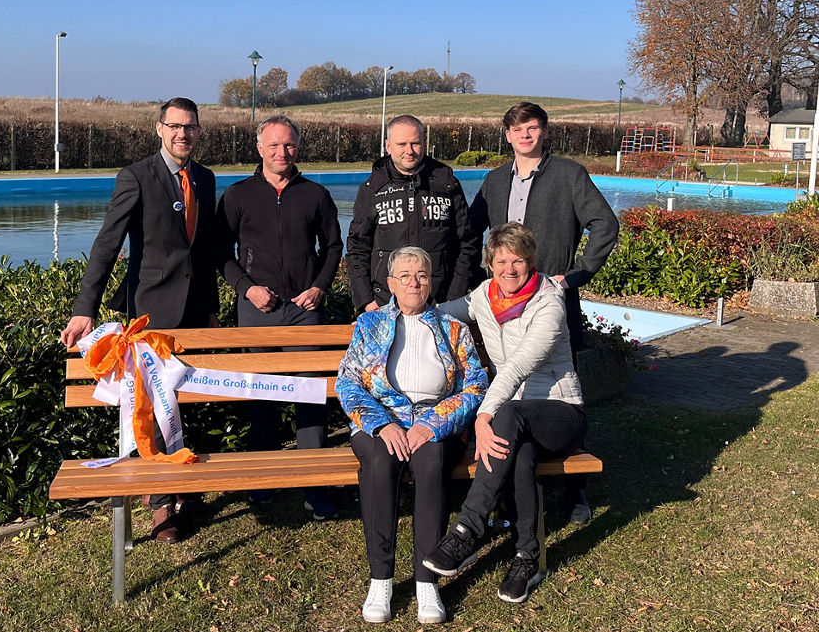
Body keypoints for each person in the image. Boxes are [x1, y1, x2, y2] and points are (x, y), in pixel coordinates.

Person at [60, 97, 219, 545]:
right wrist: (84, 308)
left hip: (198, 311)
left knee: (188, 400)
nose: (182, 134)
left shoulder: (204, 179)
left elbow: (203, 247)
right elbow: (106, 245)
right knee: (149, 408)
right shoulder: (136, 177)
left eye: (189, 127)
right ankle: (160, 503)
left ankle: (185, 490)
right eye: (174, 126)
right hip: (151, 312)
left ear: (198, 131)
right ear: (159, 129)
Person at [468, 101, 618, 525]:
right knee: (512, 394)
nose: (526, 136)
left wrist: (574, 275)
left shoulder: (569, 175)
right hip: (504, 306)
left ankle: (576, 491)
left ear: (544, 131)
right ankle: (509, 492)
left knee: (562, 393)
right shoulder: (495, 181)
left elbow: (605, 224)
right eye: (518, 130)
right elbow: (468, 230)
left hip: (550, 303)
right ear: (507, 135)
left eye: (532, 128)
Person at [424, 222, 588, 604]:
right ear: (490, 264)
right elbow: (441, 312)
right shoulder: (484, 295)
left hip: (563, 415)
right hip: (515, 422)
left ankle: (467, 530)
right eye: (501, 261)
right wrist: (389, 313)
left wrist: (483, 417)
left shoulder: (549, 303)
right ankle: (528, 557)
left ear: (531, 262)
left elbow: (516, 367)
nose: (510, 269)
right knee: (519, 455)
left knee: (509, 416)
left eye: (518, 261)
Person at [336, 246, 487, 625]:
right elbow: (347, 382)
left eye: (421, 274)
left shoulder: (454, 329)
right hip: (380, 421)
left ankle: (426, 580)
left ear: (430, 280)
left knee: (432, 460)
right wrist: (382, 425)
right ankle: (380, 577)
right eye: (405, 276)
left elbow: (475, 386)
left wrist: (432, 425)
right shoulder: (369, 327)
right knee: (378, 460)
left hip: (436, 422)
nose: (414, 282)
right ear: (390, 284)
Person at [216, 115, 344, 519]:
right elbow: (220, 252)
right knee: (263, 399)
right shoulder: (238, 196)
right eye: (273, 145)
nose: (281, 152)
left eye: (288, 145)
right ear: (259, 148)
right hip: (257, 310)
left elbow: (334, 247)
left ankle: (315, 485)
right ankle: (265, 483)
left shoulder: (316, 195)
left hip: (305, 311)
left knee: (311, 397)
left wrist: (320, 287)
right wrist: (246, 288)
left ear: (298, 147)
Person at [346, 115, 477, 312]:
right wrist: (365, 300)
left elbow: (468, 243)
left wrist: (453, 297)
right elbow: (358, 247)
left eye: (415, 143)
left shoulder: (447, 184)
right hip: (384, 304)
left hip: (439, 302)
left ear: (424, 143)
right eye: (402, 144)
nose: (409, 151)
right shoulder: (372, 189)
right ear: (388, 146)